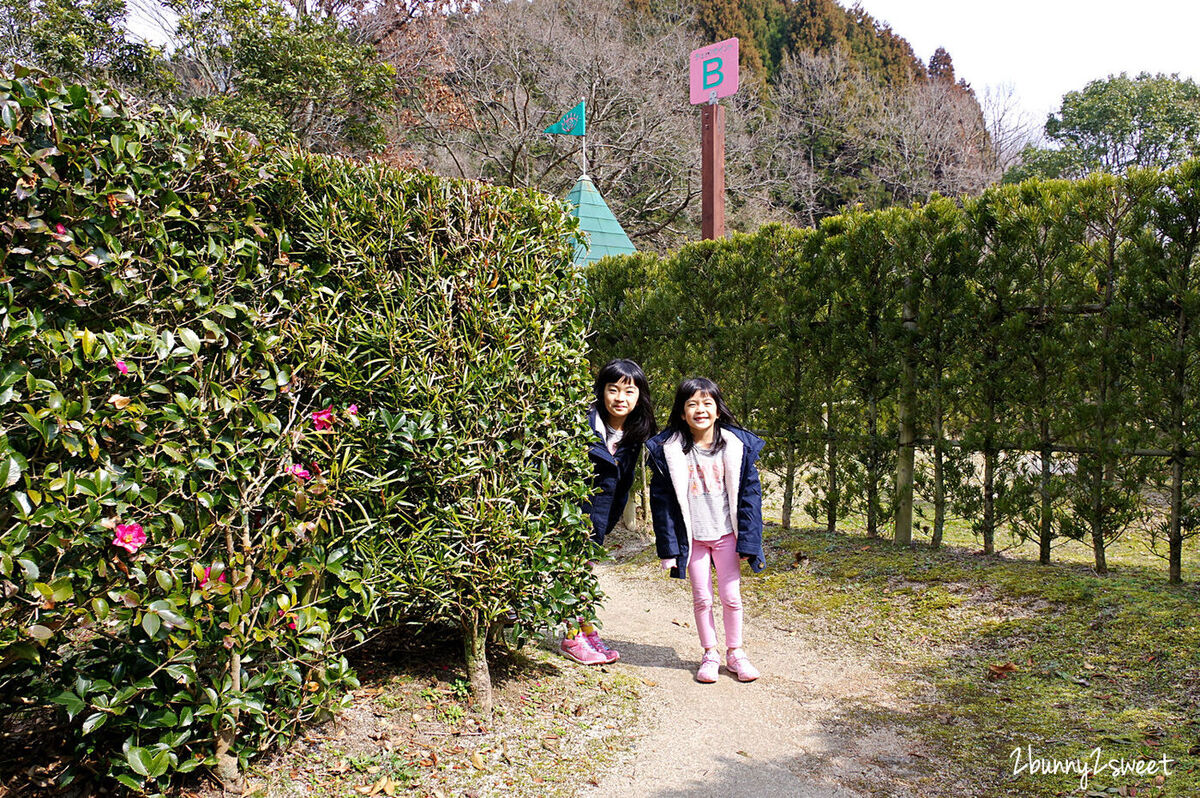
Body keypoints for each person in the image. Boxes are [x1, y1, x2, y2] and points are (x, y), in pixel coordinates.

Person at [645, 377, 766, 683]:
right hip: (694, 540)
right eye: (692, 404)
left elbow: (751, 499)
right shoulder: (668, 452)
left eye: (707, 403)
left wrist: (749, 543)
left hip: (726, 536)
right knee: (702, 598)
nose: (700, 409)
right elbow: (662, 506)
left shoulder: (737, 448)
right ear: (682, 412)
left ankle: (736, 652)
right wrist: (669, 550)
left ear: (718, 409)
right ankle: (710, 652)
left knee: (731, 597)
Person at [560, 358, 656, 665]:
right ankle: (571, 637)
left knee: (584, 572)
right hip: (570, 517)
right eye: (612, 389)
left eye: (629, 392)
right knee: (570, 572)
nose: (620, 398)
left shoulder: (634, 435)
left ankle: (586, 629)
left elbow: (624, 484)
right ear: (601, 391)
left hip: (600, 521)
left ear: (639, 397)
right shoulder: (582, 426)